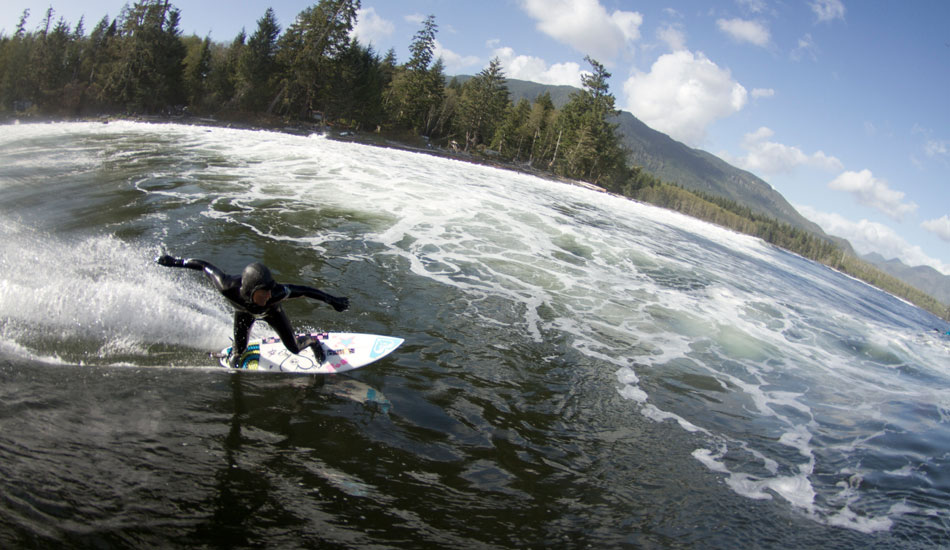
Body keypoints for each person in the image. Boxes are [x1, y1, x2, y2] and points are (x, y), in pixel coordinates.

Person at [156, 254, 349, 368]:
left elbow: (305, 291)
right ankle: (235, 352)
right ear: (250, 291)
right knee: (239, 353)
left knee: (294, 349)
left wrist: (332, 301)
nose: (267, 297)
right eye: (262, 294)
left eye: (269, 292)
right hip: (243, 314)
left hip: (273, 315)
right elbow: (205, 266)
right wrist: (176, 262)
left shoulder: (276, 294)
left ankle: (313, 342)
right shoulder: (227, 287)